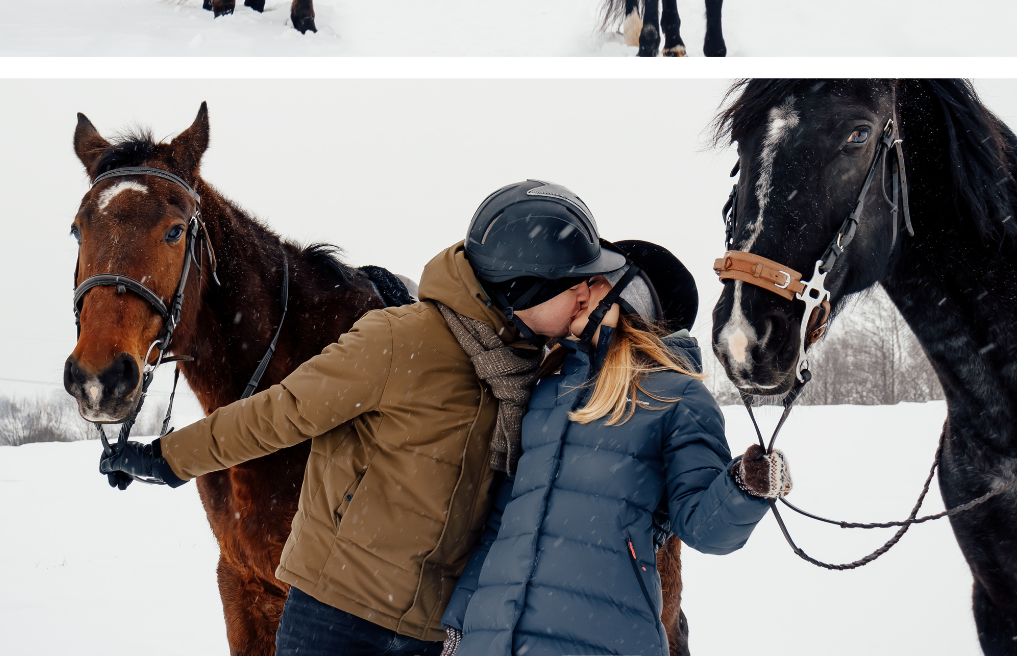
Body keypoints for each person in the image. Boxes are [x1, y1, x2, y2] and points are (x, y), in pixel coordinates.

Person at [93, 182, 786, 656]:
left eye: (592, 290)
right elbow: (279, 414)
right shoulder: (404, 339)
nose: (586, 301)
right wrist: (170, 457)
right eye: (575, 288)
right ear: (521, 291)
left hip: (436, 632)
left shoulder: (539, 374)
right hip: (339, 617)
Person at [442, 193, 786, 656]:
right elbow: (504, 522)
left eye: (596, 281)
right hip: (493, 639)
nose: (578, 288)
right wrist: (461, 622)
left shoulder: (679, 397)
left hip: (599, 638)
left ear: (636, 294)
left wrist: (743, 488)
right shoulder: (547, 389)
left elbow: (704, 528)